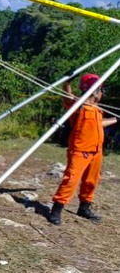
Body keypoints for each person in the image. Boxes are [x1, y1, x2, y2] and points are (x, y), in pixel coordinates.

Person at [48, 73, 118, 225]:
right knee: (71, 179)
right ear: (94, 90)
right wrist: (67, 82)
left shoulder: (97, 109)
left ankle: (84, 208)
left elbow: (99, 124)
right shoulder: (77, 105)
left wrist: (116, 119)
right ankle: (56, 210)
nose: (102, 93)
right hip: (80, 150)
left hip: (96, 151)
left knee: (91, 181)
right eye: (101, 90)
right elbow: (67, 96)